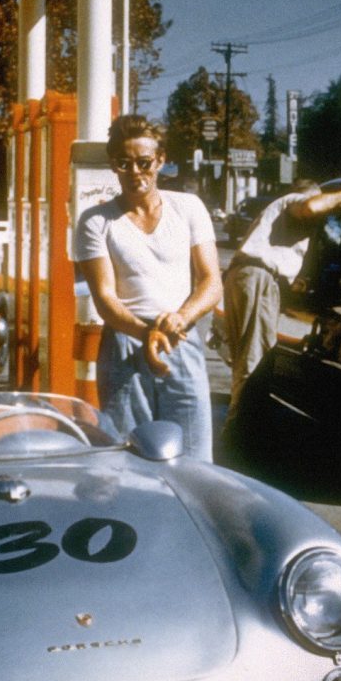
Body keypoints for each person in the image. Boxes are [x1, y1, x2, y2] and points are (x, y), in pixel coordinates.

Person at [73, 115, 222, 461]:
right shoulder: (95, 221)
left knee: (194, 455)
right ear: (113, 165)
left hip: (180, 338)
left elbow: (211, 281)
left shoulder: (188, 208)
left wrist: (181, 318)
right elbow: (105, 298)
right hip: (125, 343)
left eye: (144, 162)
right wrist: (145, 333)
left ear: (160, 160)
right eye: (123, 163)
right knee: (127, 454)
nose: (135, 172)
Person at [222, 175, 341, 412]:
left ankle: (242, 420)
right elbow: (310, 207)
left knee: (246, 358)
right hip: (259, 277)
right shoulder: (294, 200)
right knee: (255, 362)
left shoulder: (280, 220)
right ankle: (244, 426)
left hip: (245, 276)